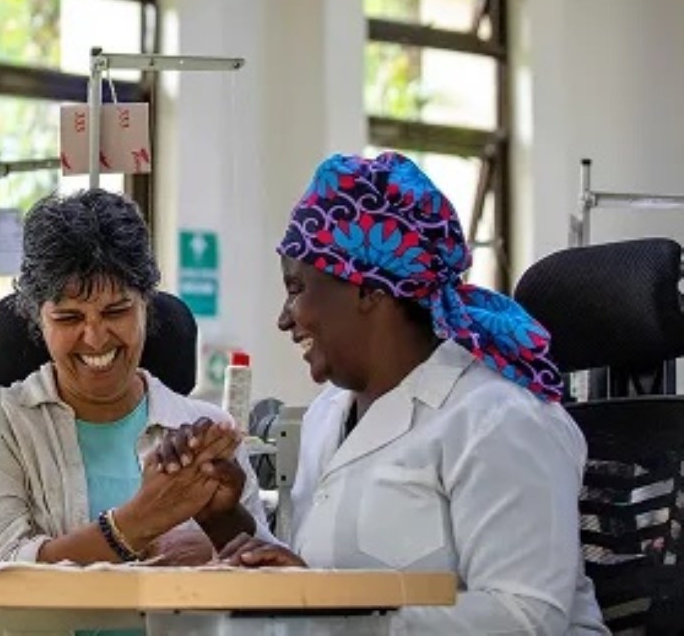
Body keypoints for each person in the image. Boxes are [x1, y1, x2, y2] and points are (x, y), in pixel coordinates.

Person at [216, 152, 607, 634]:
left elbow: (527, 617)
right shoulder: (328, 416)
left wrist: (335, 611)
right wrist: (223, 518)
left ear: (368, 290)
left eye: (296, 288)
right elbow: (317, 585)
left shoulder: (498, 420)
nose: (284, 318)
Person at [0, 189, 272, 568]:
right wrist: (137, 523)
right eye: (69, 318)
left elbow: (271, 580)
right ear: (37, 320)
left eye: (116, 312)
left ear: (146, 306)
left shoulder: (207, 433)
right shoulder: (1, 428)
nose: (95, 338)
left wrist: (222, 526)